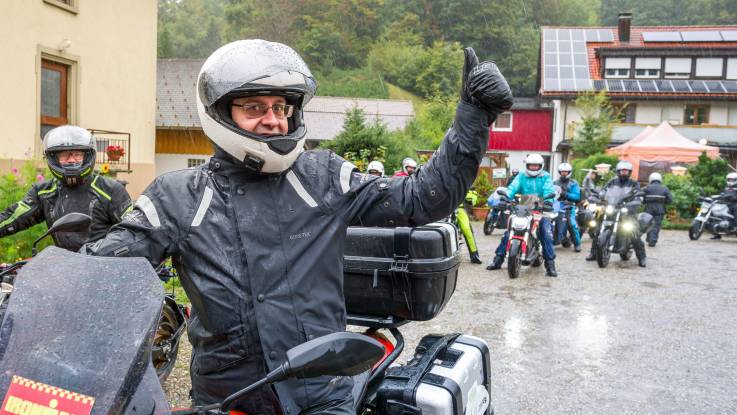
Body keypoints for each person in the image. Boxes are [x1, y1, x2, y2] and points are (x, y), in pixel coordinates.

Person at [83, 40, 513, 414]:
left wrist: (472, 116)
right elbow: (105, 268)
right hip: (229, 396)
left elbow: (424, 197)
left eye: (281, 107)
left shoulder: (323, 176)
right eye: (254, 107)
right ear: (219, 112)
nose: (273, 120)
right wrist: (50, 286)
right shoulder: (176, 196)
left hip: (323, 391)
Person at [0, 125, 131, 251]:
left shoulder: (111, 190)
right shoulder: (44, 192)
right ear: (54, 158)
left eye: (77, 154)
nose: (71, 160)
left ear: (87, 156)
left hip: (104, 266)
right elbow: (13, 218)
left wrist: (103, 250)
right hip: (64, 267)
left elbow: (133, 230)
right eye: (64, 155)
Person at [487, 153, 558, 277]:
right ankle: (497, 261)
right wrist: (505, 198)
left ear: (541, 166)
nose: (534, 168)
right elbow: (512, 188)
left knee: (545, 233)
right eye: (531, 165)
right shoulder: (521, 176)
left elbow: (549, 190)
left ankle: (550, 265)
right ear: (527, 166)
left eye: (536, 166)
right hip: (523, 209)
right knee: (509, 232)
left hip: (541, 209)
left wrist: (548, 202)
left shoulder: (546, 177)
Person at [586, 160, 647, 267]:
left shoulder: (634, 183)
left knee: (633, 232)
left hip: (627, 210)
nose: (624, 173)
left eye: (626, 171)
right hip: (612, 208)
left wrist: (637, 200)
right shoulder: (612, 182)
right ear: (618, 172)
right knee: (598, 229)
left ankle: (642, 257)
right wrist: (599, 196)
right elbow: (604, 191)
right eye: (622, 171)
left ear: (629, 172)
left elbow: (638, 193)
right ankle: (593, 253)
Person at [553, 163, 582, 252]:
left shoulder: (573, 183)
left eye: (566, 172)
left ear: (569, 172)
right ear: (559, 172)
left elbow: (577, 196)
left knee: (572, 224)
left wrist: (565, 194)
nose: (564, 173)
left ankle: (577, 244)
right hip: (556, 204)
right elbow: (549, 192)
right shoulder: (555, 182)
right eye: (562, 172)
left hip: (569, 205)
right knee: (546, 220)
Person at [642, 172, 672, 247]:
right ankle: (653, 240)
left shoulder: (646, 188)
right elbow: (670, 200)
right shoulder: (665, 188)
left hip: (649, 208)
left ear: (650, 179)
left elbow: (641, 198)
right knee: (656, 225)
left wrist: (645, 201)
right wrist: (663, 202)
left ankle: (649, 239)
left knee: (648, 223)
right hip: (660, 209)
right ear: (660, 179)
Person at [455, 189, 482, 264]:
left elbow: (470, 192)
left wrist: (469, 197)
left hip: (458, 208)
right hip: (443, 209)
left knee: (466, 229)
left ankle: (474, 255)